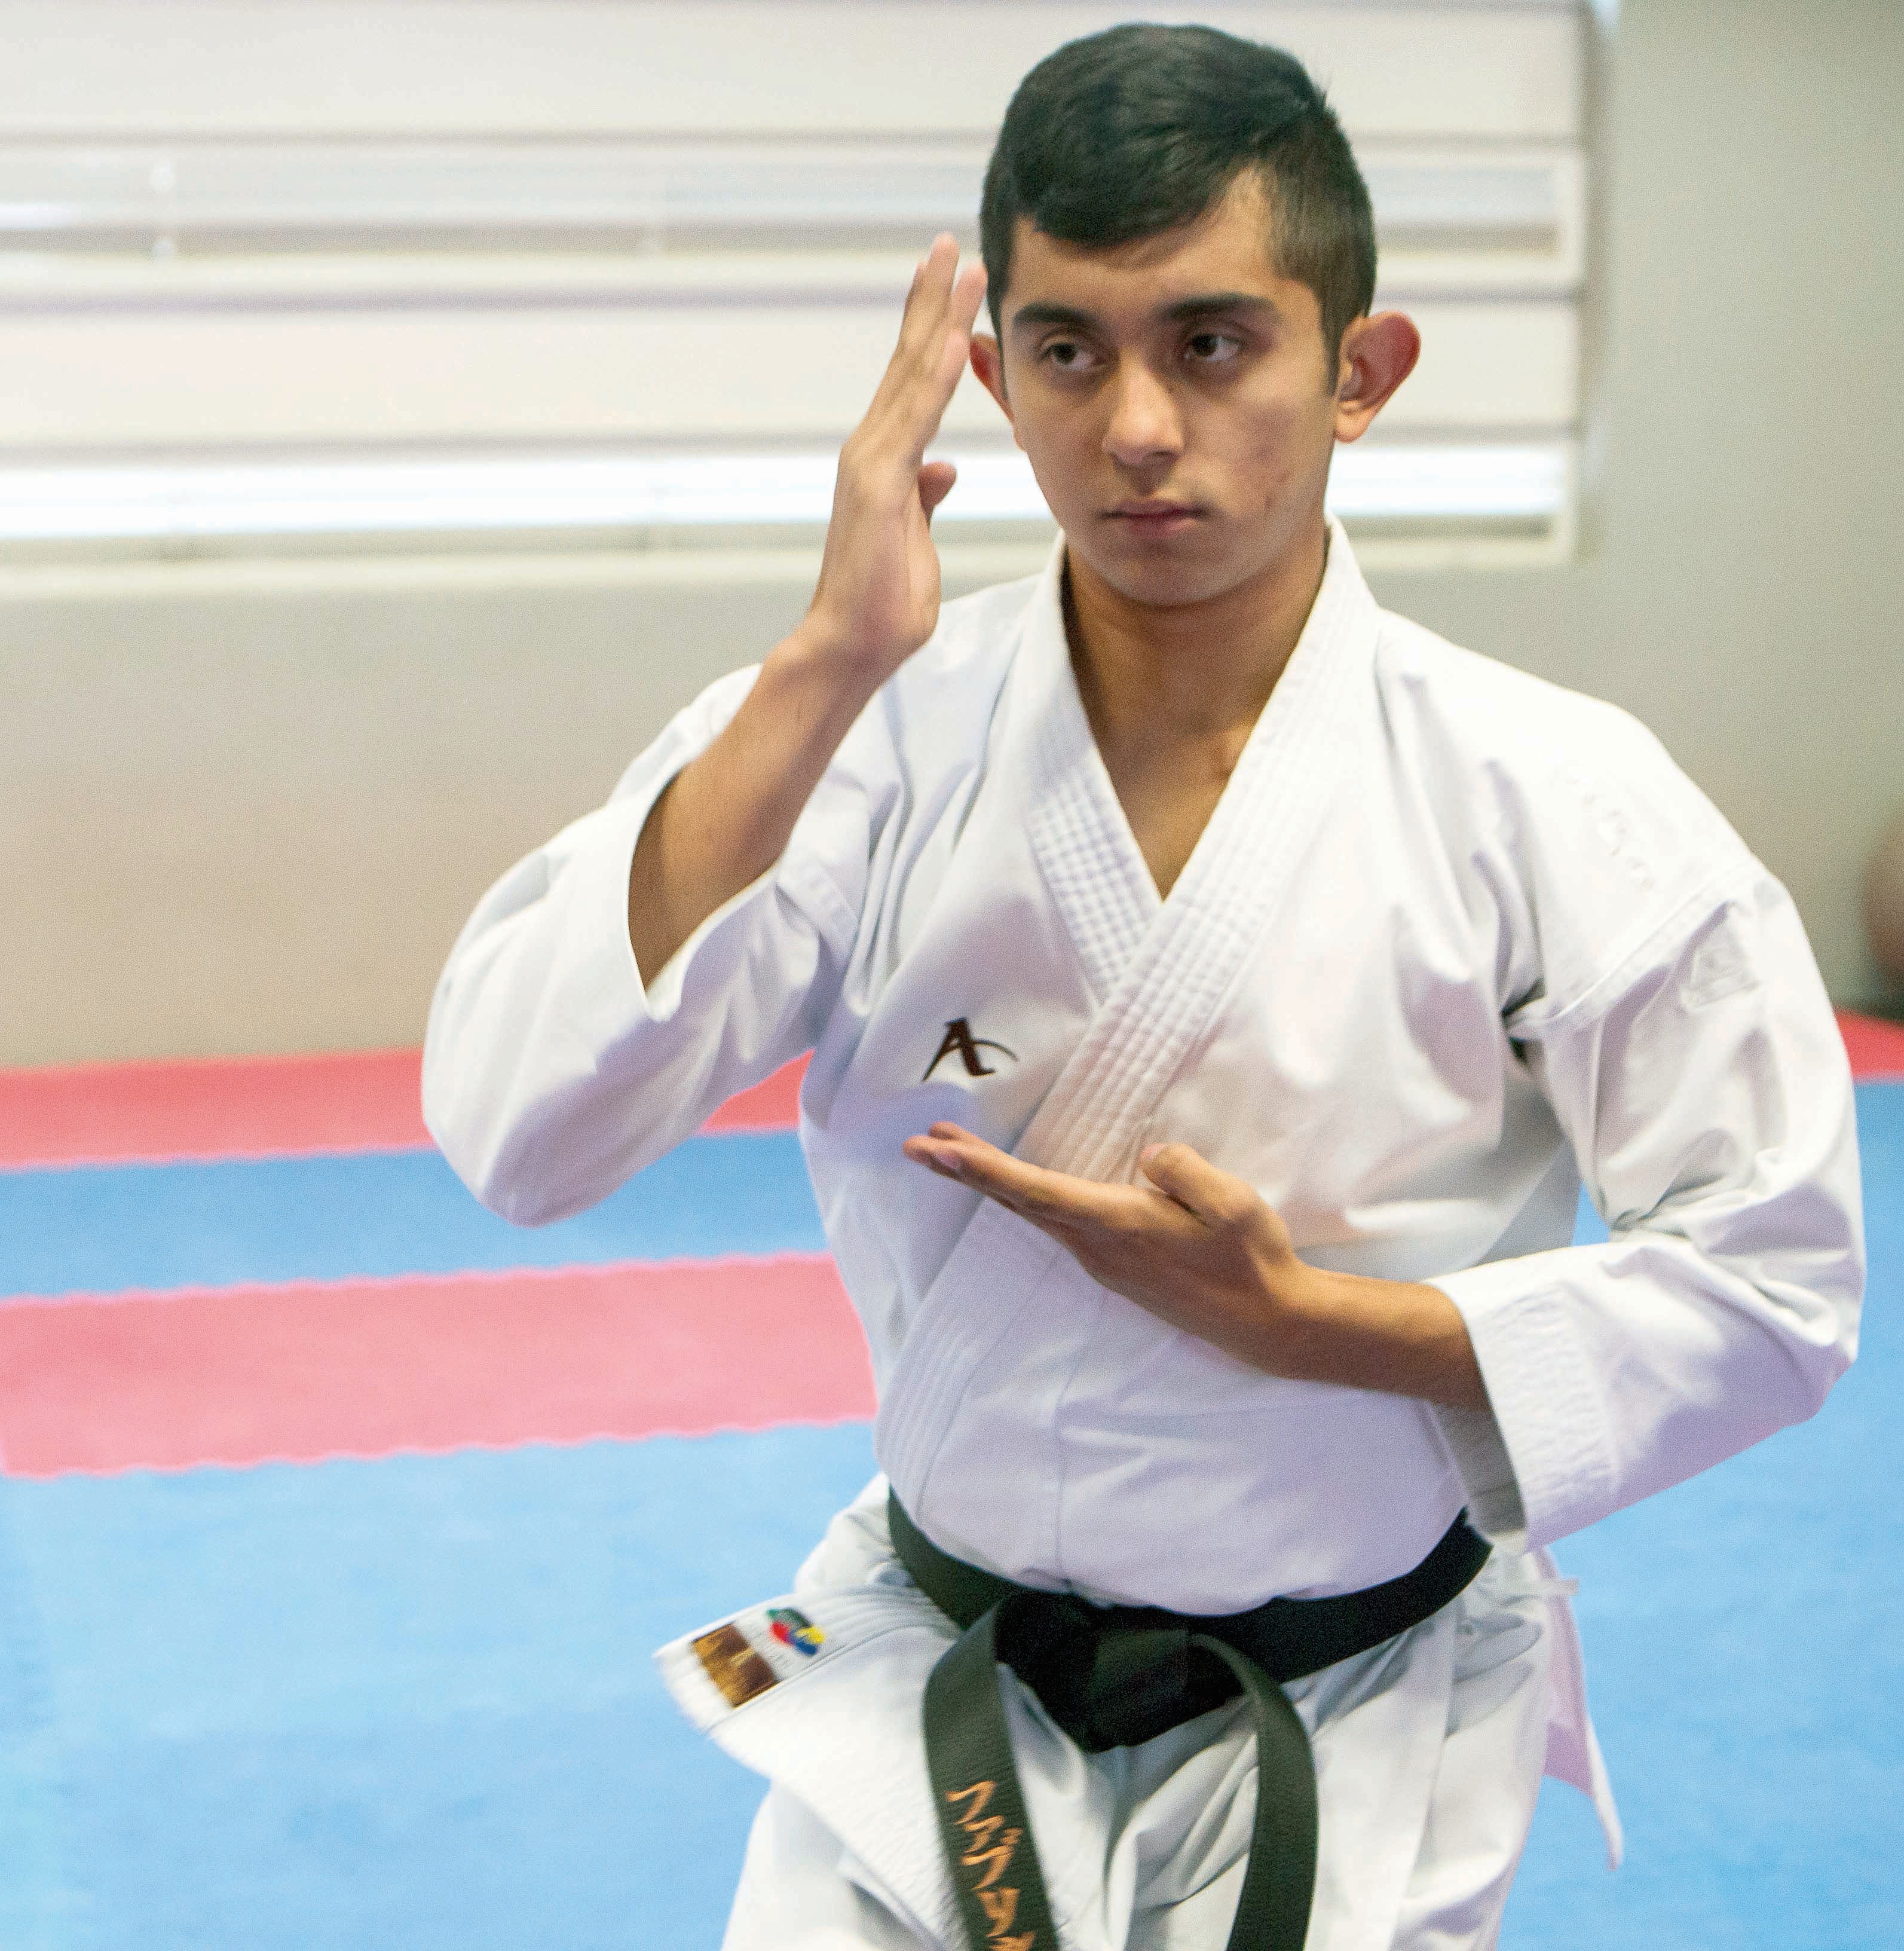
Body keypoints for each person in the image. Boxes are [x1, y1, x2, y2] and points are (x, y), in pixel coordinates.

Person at [423, 25, 1863, 1951]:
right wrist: (825, 658)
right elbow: (525, 1134)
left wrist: (1326, 1324)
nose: (1134, 430)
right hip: (929, 1694)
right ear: (988, 367)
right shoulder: (861, 735)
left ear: (1359, 372)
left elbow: (1775, 1283)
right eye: (1066, 349)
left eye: (1210, 343)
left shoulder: (1550, 794)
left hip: (1356, 1729)